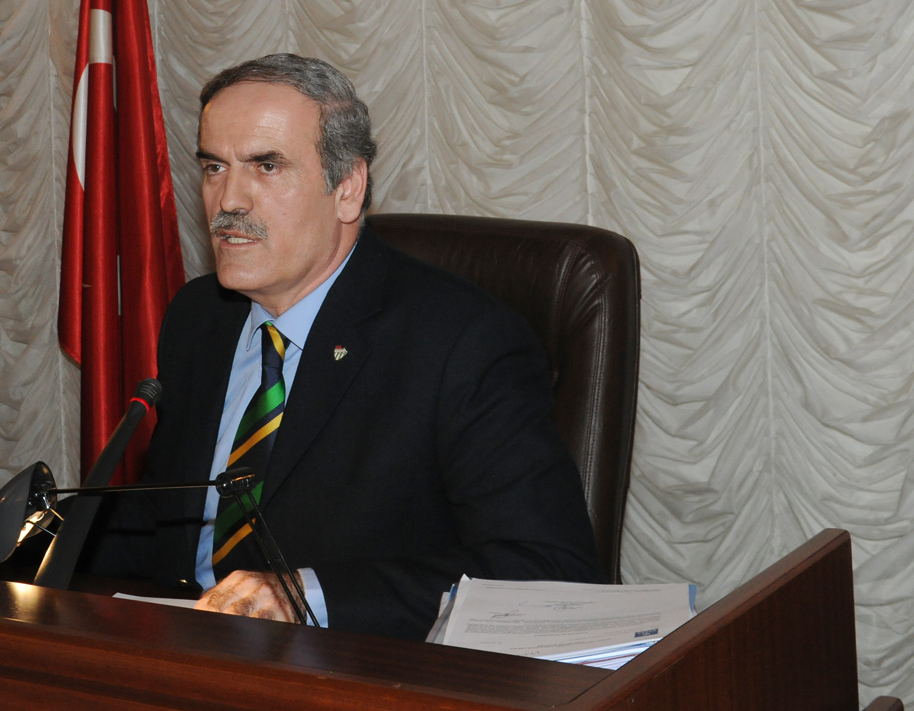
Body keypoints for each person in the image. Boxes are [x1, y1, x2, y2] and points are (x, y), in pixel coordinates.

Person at [85, 54, 603, 638]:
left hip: (356, 666)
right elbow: (163, 527)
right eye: (213, 167)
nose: (228, 200)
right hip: (188, 650)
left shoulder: (462, 343)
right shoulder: (199, 316)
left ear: (348, 189)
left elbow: (551, 572)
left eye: (266, 166)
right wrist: (28, 530)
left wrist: (307, 596)